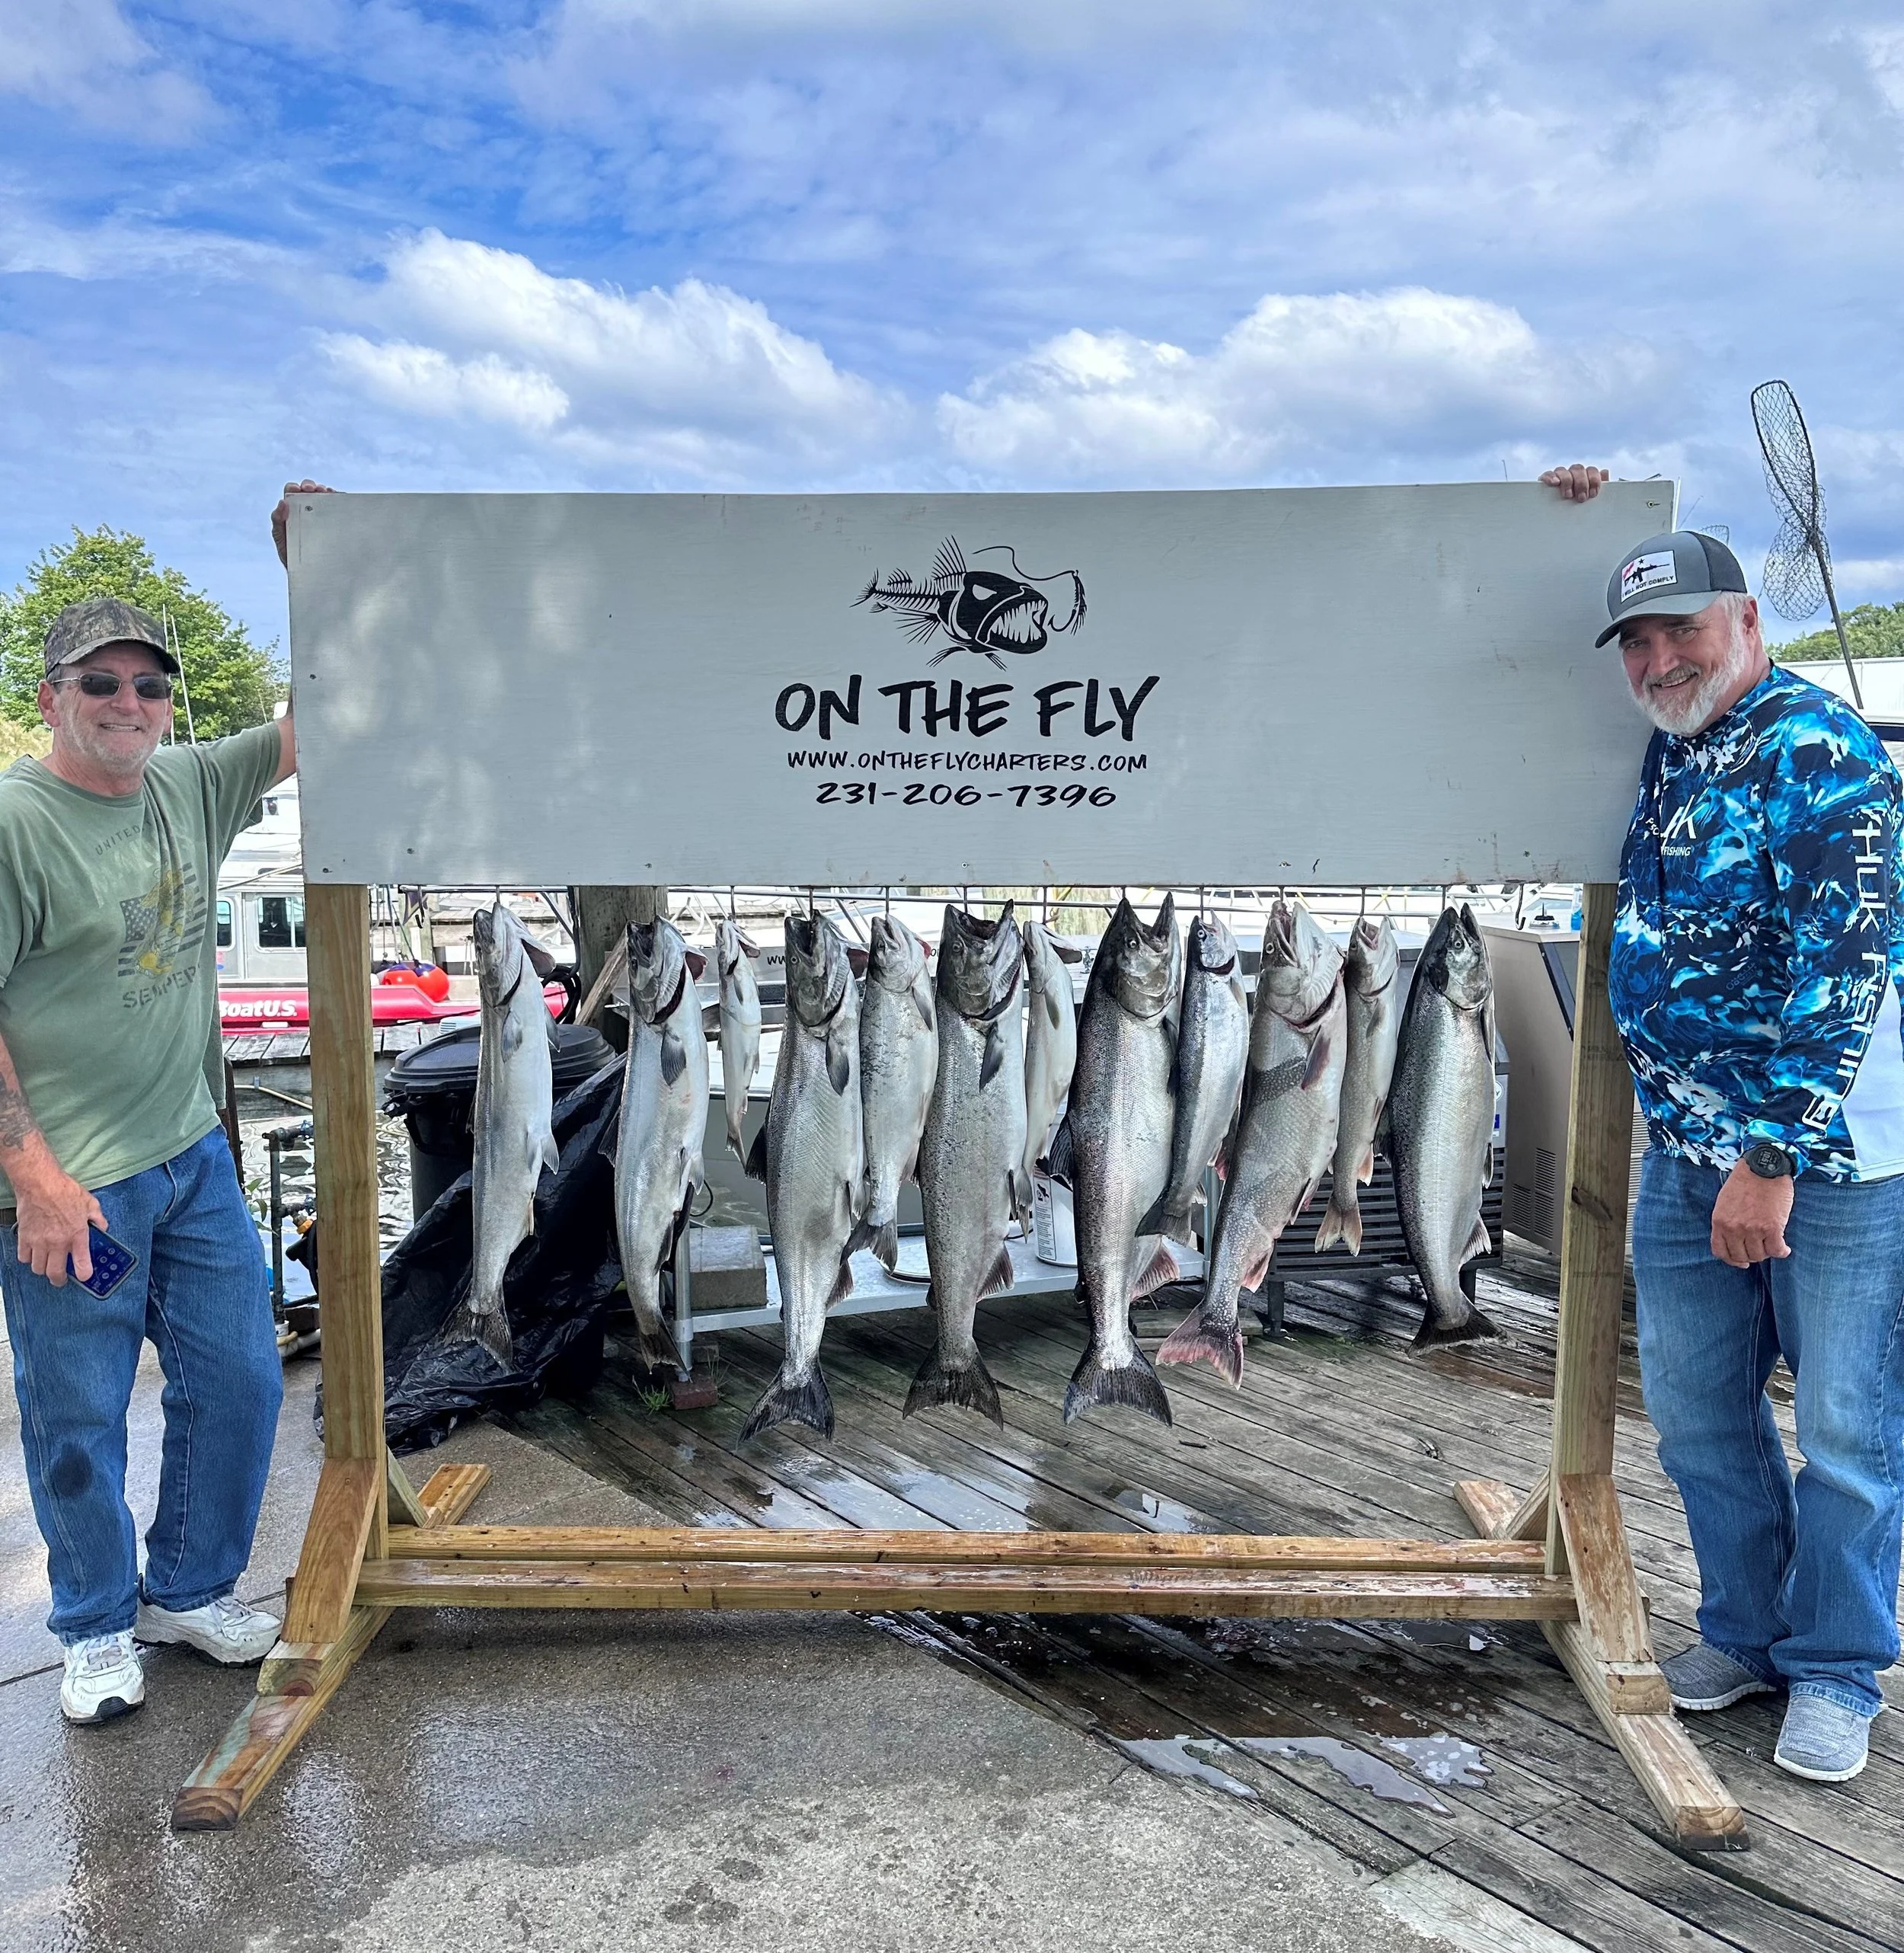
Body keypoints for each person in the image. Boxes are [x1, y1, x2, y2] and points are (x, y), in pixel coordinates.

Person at [1545, 462, 1904, 1782]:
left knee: (1850, 1436)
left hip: (1824, 1168)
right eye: (1637, 639)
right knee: (1701, 1421)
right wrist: (1570, 505)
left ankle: (1838, 1670)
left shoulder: (1822, 750)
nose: (1656, 657)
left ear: (1747, 623)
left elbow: (1846, 968)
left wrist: (1769, 1164)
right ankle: (1747, 1634)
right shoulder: (1673, 749)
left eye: (1680, 630)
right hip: (1686, 1158)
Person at [0, 491, 315, 1724]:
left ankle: (185, 1590)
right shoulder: (18, 822)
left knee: (239, 1377)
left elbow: (318, 728)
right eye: (101, 685)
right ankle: (90, 1622)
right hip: (73, 1179)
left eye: (150, 686)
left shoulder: (191, 781)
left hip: (191, 1158)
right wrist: (31, 1175)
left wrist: (313, 573)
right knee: (76, 1409)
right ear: (51, 699)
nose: (130, 705)